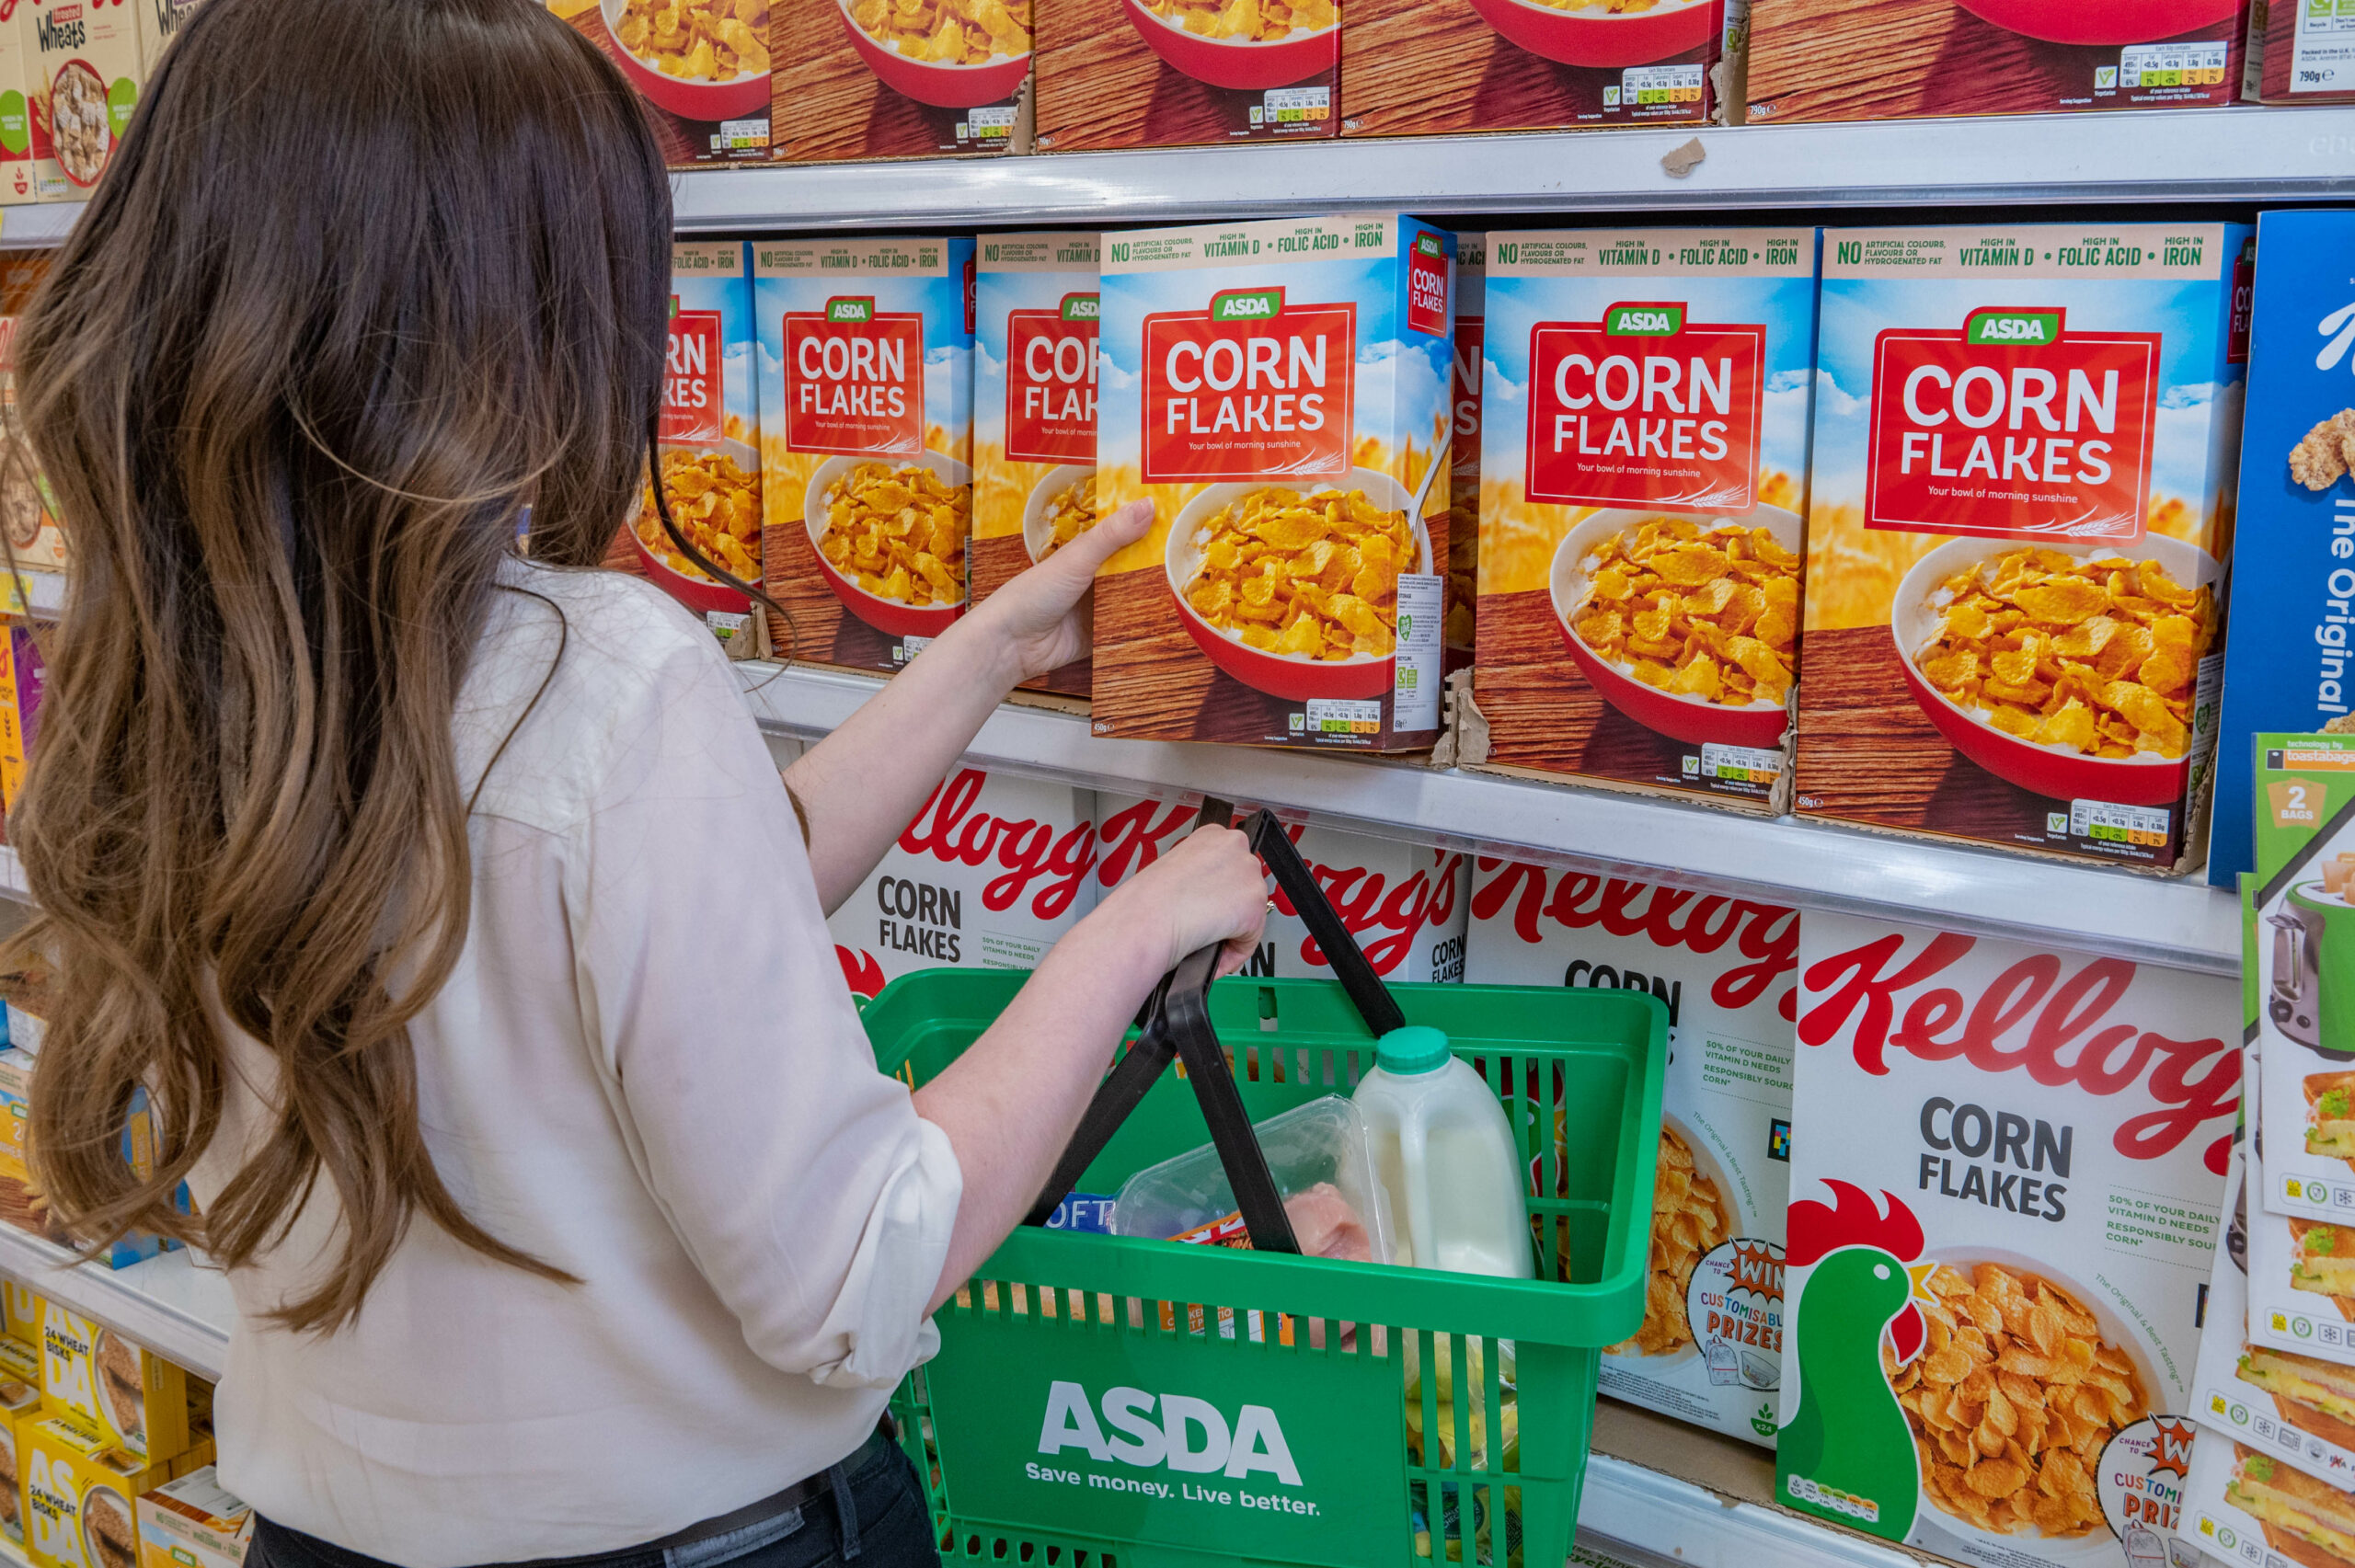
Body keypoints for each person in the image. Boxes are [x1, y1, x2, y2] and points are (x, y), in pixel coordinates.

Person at [2, 3, 1272, 1566]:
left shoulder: (191, 665)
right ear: (503, 307)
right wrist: (1132, 935)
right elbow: (859, 1267)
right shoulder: (595, 670)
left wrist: (991, 647)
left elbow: (646, 903)